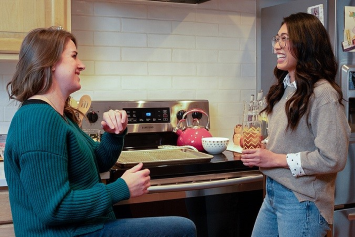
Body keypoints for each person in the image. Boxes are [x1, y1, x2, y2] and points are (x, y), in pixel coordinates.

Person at [4, 27, 196, 237]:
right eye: (74, 56)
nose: (81, 65)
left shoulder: (60, 117)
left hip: (85, 227)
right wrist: (121, 188)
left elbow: (98, 161)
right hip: (70, 233)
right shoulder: (37, 119)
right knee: (183, 229)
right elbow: (54, 208)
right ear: (50, 63)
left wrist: (114, 134)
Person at [241, 12, 351, 237]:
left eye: (285, 39)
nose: (276, 47)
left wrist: (275, 159)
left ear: (306, 43)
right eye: (277, 39)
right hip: (273, 193)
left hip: (303, 202)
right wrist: (267, 146)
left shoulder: (323, 95)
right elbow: (297, 140)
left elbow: (333, 158)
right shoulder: (286, 89)